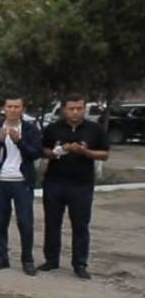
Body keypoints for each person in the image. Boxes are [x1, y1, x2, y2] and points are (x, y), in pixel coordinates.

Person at [39, 93, 110, 279]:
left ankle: (79, 264)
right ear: (64, 110)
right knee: (52, 223)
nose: (76, 112)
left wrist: (86, 152)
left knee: (80, 225)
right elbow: (43, 150)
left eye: (80, 108)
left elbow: (104, 154)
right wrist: (56, 151)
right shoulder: (53, 129)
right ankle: (51, 259)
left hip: (81, 185)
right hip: (54, 182)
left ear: (84, 109)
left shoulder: (95, 129)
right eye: (72, 109)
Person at [0, 96, 42, 276]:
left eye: (17, 107)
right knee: (1, 222)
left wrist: (19, 142)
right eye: (10, 106)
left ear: (22, 109)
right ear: (4, 108)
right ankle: (1, 257)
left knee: (25, 222)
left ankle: (27, 260)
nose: (13, 110)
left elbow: (35, 153)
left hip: (22, 181)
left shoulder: (30, 129)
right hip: (1, 180)